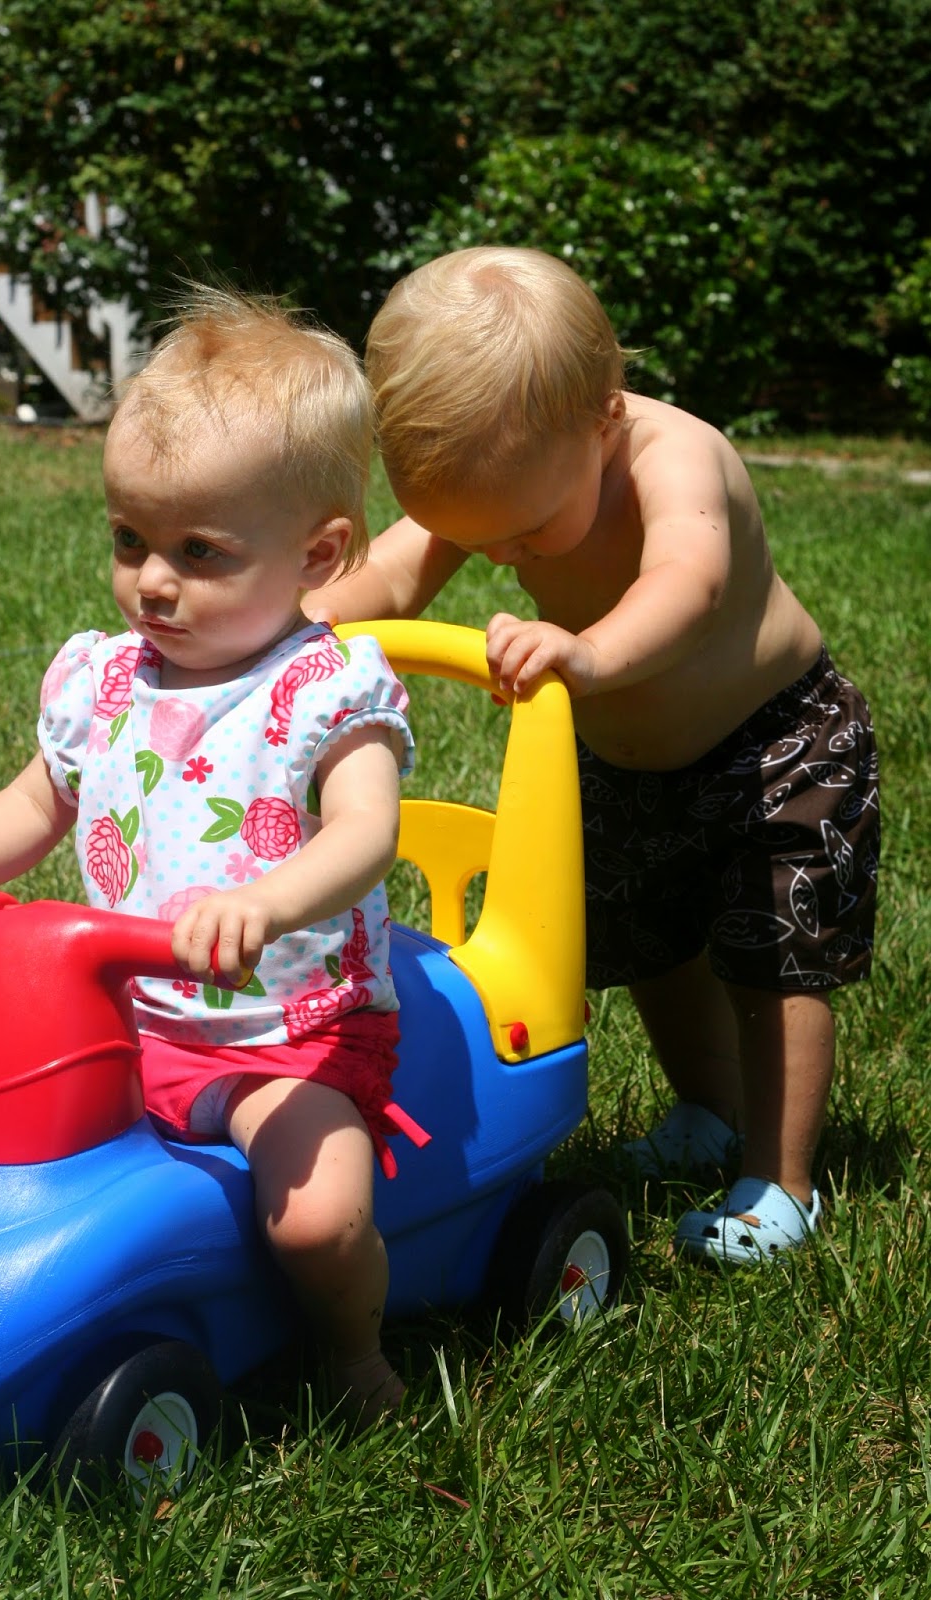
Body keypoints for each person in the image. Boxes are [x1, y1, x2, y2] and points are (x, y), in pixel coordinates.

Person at [0, 285, 425, 1419]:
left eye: (198, 551)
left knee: (316, 1218)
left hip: (283, 1032)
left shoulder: (325, 687)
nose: (153, 580)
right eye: (131, 539)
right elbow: (39, 799)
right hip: (119, 1020)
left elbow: (369, 830)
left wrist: (270, 901)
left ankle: (352, 1355)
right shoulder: (105, 677)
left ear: (317, 553)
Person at [304, 245, 879, 1266]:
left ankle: (782, 1181)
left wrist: (590, 654)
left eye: (525, 535)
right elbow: (392, 572)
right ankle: (707, 1110)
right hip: (625, 758)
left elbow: (690, 580)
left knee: (775, 958)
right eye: (474, 539)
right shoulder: (514, 475)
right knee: (648, 940)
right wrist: (298, 631)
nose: (501, 557)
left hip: (777, 745)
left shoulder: (674, 454)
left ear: (605, 413)